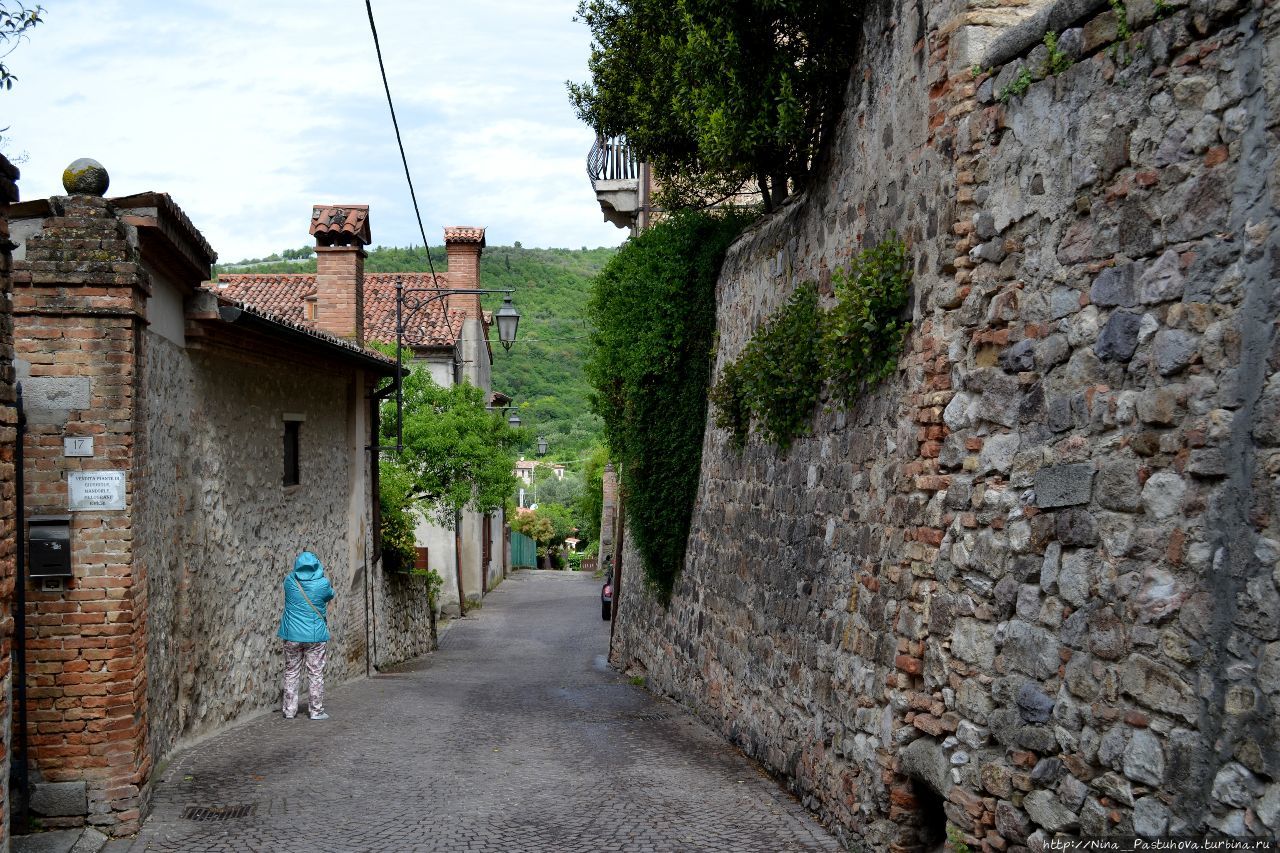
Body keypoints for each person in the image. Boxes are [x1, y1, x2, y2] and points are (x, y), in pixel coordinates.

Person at [278, 550, 336, 720]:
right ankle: (316, 711)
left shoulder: (289, 581)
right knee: (315, 673)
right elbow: (330, 595)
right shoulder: (323, 583)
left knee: (291, 671)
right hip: (315, 637)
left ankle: (289, 710)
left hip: (292, 635)